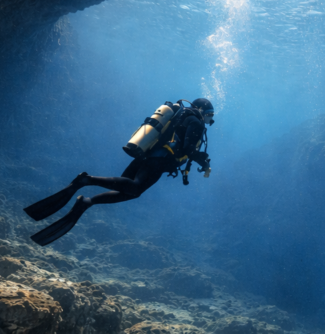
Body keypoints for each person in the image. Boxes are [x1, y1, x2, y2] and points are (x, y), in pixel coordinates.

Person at [24, 98, 214, 246]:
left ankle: (87, 202)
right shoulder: (195, 122)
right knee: (135, 189)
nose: (210, 120)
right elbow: (189, 149)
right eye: (210, 115)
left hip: (146, 155)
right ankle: (86, 181)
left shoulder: (181, 116)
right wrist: (203, 161)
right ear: (202, 111)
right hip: (159, 159)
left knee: (128, 189)